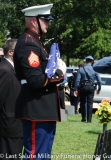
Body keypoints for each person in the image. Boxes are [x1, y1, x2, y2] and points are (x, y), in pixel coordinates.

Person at [13, 4, 65, 159]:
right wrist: (60, 74)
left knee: (43, 155)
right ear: (34, 21)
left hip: (42, 110)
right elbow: (36, 80)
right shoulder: (29, 43)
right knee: (35, 155)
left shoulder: (36, 42)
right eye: (45, 20)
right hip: (36, 109)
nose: (48, 23)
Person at [0, 39, 23, 160]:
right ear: (10, 52)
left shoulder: (12, 68)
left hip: (14, 124)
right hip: (8, 125)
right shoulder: (4, 69)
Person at [74, 56, 101, 122]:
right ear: (92, 62)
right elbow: (99, 80)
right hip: (91, 87)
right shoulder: (95, 69)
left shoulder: (81, 69)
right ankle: (89, 119)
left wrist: (75, 89)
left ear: (86, 61)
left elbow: (77, 80)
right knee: (90, 103)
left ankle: (83, 117)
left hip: (83, 87)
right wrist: (99, 88)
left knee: (83, 102)